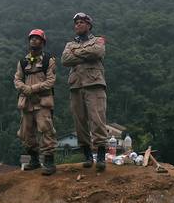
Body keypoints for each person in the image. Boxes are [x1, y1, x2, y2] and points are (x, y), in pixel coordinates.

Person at [61, 12, 108, 171]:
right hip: (76, 86)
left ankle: (101, 156)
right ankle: (87, 155)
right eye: (76, 23)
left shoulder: (98, 40)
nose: (78, 25)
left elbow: (97, 52)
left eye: (81, 22)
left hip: (94, 84)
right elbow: (65, 60)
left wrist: (77, 53)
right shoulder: (69, 44)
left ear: (89, 25)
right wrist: (86, 54)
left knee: (97, 119)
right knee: (79, 122)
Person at [14, 29, 57, 175]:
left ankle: (49, 162)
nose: (34, 40)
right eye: (32, 38)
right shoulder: (22, 61)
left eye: (37, 38)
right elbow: (17, 79)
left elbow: (50, 81)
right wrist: (24, 89)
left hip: (42, 101)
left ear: (43, 43)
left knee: (46, 129)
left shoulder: (48, 60)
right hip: (27, 103)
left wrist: (32, 89)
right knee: (26, 132)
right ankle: (34, 160)